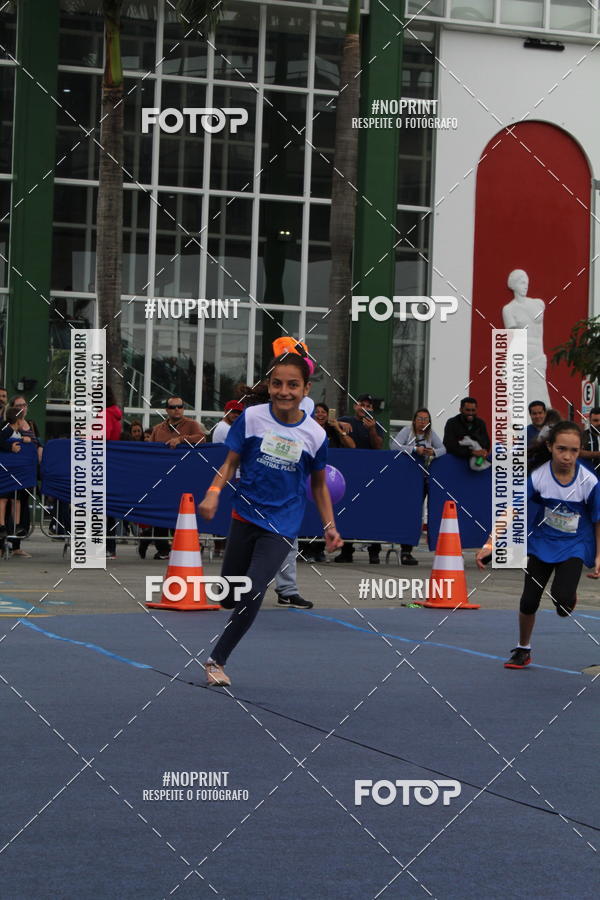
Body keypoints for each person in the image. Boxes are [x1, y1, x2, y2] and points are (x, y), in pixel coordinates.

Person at [198, 352, 343, 686]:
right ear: (269, 385)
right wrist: (213, 492)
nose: (284, 391)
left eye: (293, 385)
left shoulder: (315, 435)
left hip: (281, 524)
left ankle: (215, 661)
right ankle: (231, 603)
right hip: (245, 514)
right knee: (229, 595)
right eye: (277, 383)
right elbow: (231, 463)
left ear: (306, 389)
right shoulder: (251, 418)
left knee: (252, 593)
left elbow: (319, 486)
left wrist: (330, 525)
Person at [503, 421, 600, 669]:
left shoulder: (588, 481)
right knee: (528, 601)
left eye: (574, 451)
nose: (567, 456)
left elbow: (598, 521)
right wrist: (491, 542)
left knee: (562, 604)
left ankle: (567, 597)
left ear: (579, 451)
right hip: (542, 543)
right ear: (549, 446)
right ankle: (523, 649)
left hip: (575, 544)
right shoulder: (539, 476)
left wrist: (599, 556)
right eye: (561, 449)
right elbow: (514, 506)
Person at [147, 397, 206, 559]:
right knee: (159, 512)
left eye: (180, 406)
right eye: (173, 407)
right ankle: (163, 549)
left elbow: (201, 438)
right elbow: (149, 450)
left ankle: (187, 544)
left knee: (183, 513)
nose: (177, 410)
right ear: (167, 410)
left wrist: (181, 440)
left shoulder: (192, 424)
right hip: (162, 478)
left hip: (185, 477)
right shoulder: (158, 429)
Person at [391, 408, 446, 565]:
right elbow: (393, 446)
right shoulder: (407, 431)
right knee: (410, 512)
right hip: (408, 478)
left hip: (425, 477)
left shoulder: (430, 434)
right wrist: (414, 449)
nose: (423, 422)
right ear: (414, 420)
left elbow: (444, 449)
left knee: (424, 512)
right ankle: (405, 550)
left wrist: (433, 451)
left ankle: (427, 548)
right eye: (420, 419)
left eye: (426, 419)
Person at [336, 394, 385, 564]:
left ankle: (374, 551)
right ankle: (346, 551)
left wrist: (371, 429)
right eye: (361, 404)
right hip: (348, 473)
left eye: (368, 406)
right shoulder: (345, 419)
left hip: (369, 474)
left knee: (371, 513)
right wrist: (339, 424)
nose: (364, 407)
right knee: (347, 511)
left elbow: (378, 446)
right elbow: (327, 421)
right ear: (355, 406)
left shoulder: (375, 424)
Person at [502, 269, 551, 407]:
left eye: (527, 282)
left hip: (538, 355)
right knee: (523, 394)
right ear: (513, 285)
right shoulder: (509, 309)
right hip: (523, 356)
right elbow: (514, 338)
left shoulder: (538, 303)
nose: (525, 285)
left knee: (541, 392)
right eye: (522, 282)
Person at [0, 407, 28, 539]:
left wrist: (23, 440)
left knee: (16, 499)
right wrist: (10, 447)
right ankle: (2, 525)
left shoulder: (17, 433)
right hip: (5, 472)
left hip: (15, 472)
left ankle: (16, 525)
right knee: (4, 499)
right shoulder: (7, 430)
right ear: (18, 420)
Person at [443, 397, 490, 463]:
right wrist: (472, 452)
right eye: (467, 410)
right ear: (460, 409)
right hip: (456, 463)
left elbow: (487, 444)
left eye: (473, 410)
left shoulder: (481, 423)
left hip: (477, 463)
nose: (470, 413)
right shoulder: (452, 423)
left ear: (476, 410)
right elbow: (448, 445)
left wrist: (484, 451)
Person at [580, 406, 600, 476]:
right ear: (590, 421)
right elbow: (577, 452)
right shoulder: (583, 435)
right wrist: (597, 454)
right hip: (588, 475)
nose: (599, 423)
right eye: (595, 420)